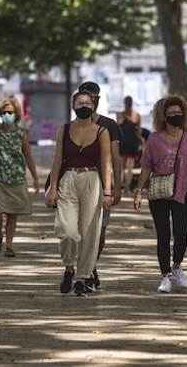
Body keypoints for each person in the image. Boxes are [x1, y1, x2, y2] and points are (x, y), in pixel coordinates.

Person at [133, 94, 187, 293]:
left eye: (179, 113)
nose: (176, 116)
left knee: (181, 235)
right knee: (163, 234)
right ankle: (165, 276)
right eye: (172, 113)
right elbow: (146, 167)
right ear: (163, 116)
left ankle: (177, 266)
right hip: (159, 193)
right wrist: (138, 192)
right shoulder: (154, 139)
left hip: (182, 191)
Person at [46, 91, 113, 296]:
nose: (83, 105)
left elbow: (106, 163)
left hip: (92, 180)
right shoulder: (64, 130)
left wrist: (107, 192)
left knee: (90, 232)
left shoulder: (102, 132)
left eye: (87, 102)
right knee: (66, 229)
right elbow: (57, 161)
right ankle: (68, 267)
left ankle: (82, 278)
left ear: (93, 106)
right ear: (73, 105)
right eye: (79, 102)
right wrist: (53, 187)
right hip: (69, 179)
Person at [0, 98, 39, 257]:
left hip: (16, 178)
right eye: (3, 112)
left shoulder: (20, 133)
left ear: (16, 113)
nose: (6, 115)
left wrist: (36, 178)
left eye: (10, 112)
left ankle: (9, 246)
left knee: (12, 213)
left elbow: (29, 157)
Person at [77, 81, 122, 290]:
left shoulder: (109, 125)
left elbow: (115, 158)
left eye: (93, 98)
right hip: (78, 185)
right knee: (82, 231)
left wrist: (117, 186)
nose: (89, 103)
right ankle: (84, 272)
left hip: (102, 187)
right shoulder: (72, 127)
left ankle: (91, 266)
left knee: (100, 233)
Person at [117, 96, 142, 194]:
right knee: (130, 167)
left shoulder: (120, 115)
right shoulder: (137, 115)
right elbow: (139, 131)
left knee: (122, 167)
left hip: (123, 142)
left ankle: (119, 187)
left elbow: (118, 129)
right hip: (133, 142)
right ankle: (127, 188)